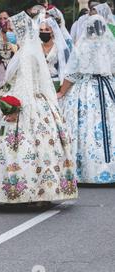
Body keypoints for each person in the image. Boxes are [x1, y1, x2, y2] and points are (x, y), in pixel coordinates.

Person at [0, 8, 78, 205]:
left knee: (22, 147)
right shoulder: (31, 50)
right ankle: (44, 191)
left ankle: (28, 191)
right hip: (40, 102)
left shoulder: (25, 54)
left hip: (25, 101)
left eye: (13, 28)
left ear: (20, 31)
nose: (10, 31)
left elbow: (24, 82)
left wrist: (12, 105)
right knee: (44, 148)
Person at [58, 15, 115, 184]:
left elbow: (73, 73)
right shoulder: (110, 45)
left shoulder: (82, 46)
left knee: (84, 127)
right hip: (108, 87)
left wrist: (62, 92)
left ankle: (84, 170)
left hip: (85, 89)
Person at [40, 18, 71, 86]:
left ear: (53, 32)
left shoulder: (60, 48)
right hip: (38, 81)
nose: (43, 32)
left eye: (47, 30)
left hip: (55, 82)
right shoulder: (36, 47)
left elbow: (67, 69)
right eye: (41, 30)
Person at [0, 10, 18, 87]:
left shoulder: (16, 34)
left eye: (5, 18)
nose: (2, 21)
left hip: (15, 67)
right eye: (0, 18)